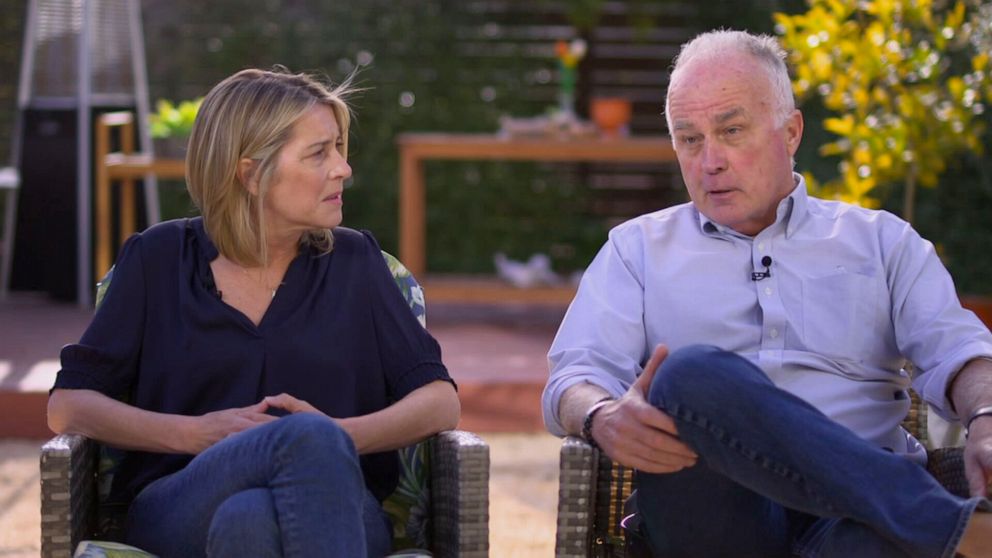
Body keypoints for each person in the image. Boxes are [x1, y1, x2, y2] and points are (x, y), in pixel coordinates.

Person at [543, 30, 992, 557]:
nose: (710, 160)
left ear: (791, 131)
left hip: (855, 520)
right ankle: (948, 528)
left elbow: (960, 352)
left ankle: (921, 522)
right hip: (713, 517)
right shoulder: (636, 250)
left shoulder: (882, 242)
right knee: (689, 374)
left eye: (732, 130)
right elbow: (573, 376)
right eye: (690, 140)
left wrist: (986, 417)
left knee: (867, 545)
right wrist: (600, 415)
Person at [48, 67, 460, 558]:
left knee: (251, 521)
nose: (343, 168)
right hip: (178, 503)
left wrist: (332, 438)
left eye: (338, 148)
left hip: (342, 506)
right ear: (249, 173)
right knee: (294, 453)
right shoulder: (156, 259)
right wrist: (197, 434)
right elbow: (69, 405)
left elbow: (439, 401)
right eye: (318, 153)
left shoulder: (356, 263)